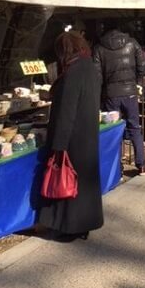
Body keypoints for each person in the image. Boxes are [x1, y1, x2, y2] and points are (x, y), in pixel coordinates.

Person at [38, 31, 103, 241]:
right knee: (84, 184)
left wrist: (58, 145)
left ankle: (67, 226)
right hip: (88, 135)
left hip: (73, 138)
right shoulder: (90, 67)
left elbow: (66, 112)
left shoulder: (73, 71)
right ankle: (84, 224)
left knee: (68, 183)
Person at [93, 20, 145, 174]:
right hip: (130, 92)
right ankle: (141, 164)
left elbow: (97, 77)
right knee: (134, 127)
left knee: (114, 128)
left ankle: (117, 167)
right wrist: (136, 81)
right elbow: (143, 66)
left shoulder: (98, 48)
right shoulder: (132, 43)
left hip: (111, 95)